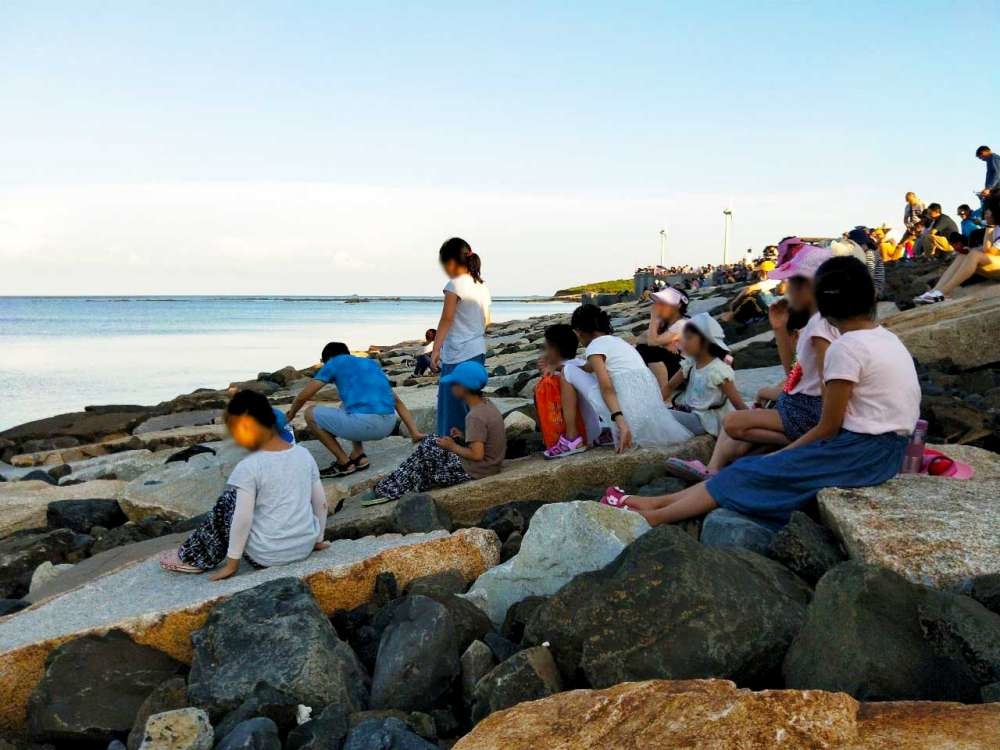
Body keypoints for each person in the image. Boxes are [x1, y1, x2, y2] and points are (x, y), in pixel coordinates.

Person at [618, 256, 919, 528]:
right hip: (888, 450)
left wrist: (785, 455)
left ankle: (654, 515)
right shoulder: (885, 338)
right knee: (749, 467)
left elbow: (828, 428)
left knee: (754, 471)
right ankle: (659, 503)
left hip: (861, 453)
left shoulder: (845, 348)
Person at [667, 246, 837, 481]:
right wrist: (779, 329)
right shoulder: (814, 323)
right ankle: (714, 469)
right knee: (739, 437)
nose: (786, 288)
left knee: (734, 423)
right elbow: (795, 375)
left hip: (809, 410)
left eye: (792, 282)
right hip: (802, 405)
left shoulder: (821, 326)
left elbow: (825, 385)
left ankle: (805, 444)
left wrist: (826, 428)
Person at [159, 390, 330, 579]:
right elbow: (321, 503)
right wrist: (318, 539)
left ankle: (194, 557)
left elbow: (242, 518)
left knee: (228, 501)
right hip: (304, 547)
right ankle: (195, 552)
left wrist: (232, 565)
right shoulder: (303, 454)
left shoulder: (249, 466)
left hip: (267, 556)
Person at [360, 361, 505, 504]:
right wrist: (463, 435)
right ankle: (393, 483)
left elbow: (477, 455)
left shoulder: (475, 416)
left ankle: (390, 489)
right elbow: (483, 438)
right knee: (432, 442)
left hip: (477, 470)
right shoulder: (486, 405)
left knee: (427, 457)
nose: (450, 387)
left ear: (463, 387)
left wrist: (453, 447)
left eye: (453, 384)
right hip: (490, 465)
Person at [286, 342, 422, 477]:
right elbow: (397, 401)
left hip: (365, 425)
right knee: (346, 405)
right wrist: (414, 433)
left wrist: (291, 415)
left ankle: (344, 463)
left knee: (310, 413)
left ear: (327, 359)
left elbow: (303, 397)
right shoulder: (370, 364)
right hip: (388, 424)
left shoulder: (333, 363)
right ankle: (358, 455)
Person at [568, 304, 692, 453]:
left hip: (625, 417)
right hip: (645, 413)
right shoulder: (618, 342)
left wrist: (620, 420)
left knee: (568, 371)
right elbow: (588, 367)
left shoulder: (594, 348)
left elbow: (606, 387)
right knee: (572, 368)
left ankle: (573, 436)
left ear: (579, 331)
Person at [431, 238, 492, 437]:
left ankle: (454, 453)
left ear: (451, 263)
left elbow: (446, 319)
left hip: (458, 354)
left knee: (452, 409)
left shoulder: (454, 285)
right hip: (477, 352)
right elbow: (487, 321)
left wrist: (436, 350)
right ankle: (477, 446)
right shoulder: (481, 286)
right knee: (472, 402)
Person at [661, 312, 746, 436]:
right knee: (657, 413)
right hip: (691, 413)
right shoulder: (690, 364)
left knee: (662, 416)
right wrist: (655, 406)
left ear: (705, 341)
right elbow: (670, 386)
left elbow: (738, 404)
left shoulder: (718, 371)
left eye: (689, 338)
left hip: (706, 421)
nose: (683, 342)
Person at [539, 323, 609, 458]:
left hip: (583, 435)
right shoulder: (583, 365)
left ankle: (570, 439)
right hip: (596, 431)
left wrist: (545, 377)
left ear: (553, 349)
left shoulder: (559, 375)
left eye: (545, 348)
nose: (545, 352)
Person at [914, 194, 1000, 303]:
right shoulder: (996, 226)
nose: (986, 213)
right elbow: (988, 250)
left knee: (974, 255)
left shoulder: (993, 226)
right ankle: (936, 290)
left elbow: (990, 251)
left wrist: (990, 226)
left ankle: (944, 292)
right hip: (995, 261)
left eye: (989, 210)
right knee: (963, 254)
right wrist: (970, 249)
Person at [635, 287, 689, 396]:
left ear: (678, 305)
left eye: (663, 303)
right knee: (641, 349)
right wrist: (665, 344)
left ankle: (665, 395)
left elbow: (652, 341)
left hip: (683, 372)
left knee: (650, 351)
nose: (659, 306)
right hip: (673, 365)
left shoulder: (682, 324)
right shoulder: (663, 323)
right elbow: (640, 339)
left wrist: (654, 316)